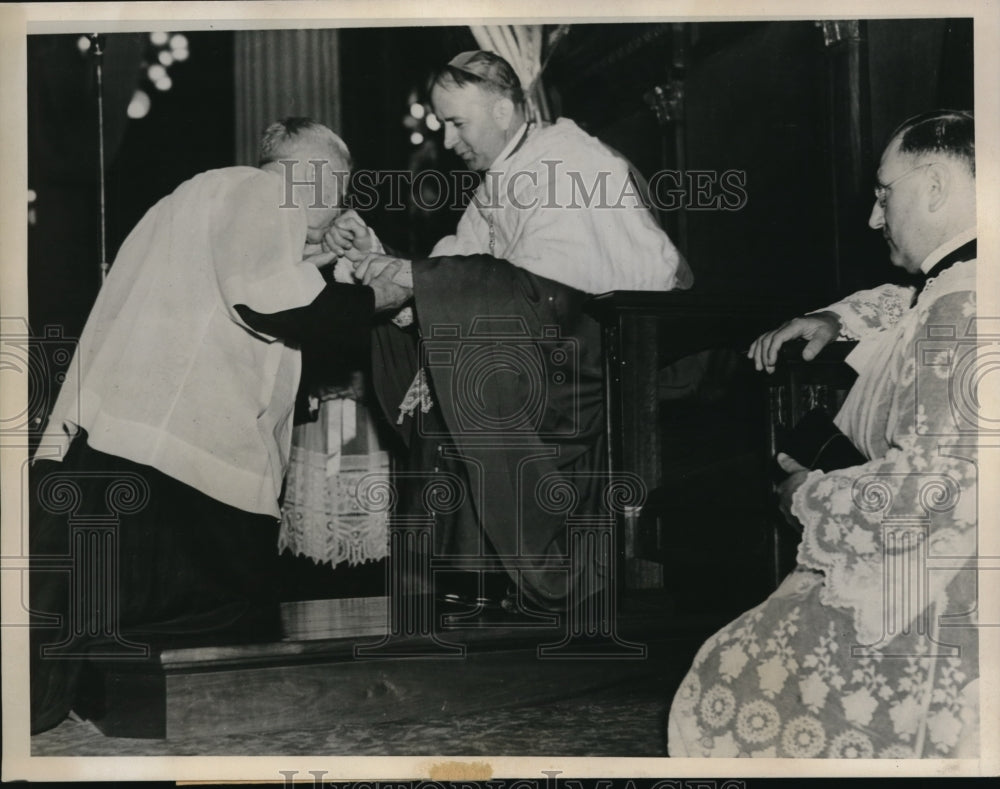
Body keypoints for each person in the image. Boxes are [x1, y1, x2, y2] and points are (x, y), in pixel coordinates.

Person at [29, 118, 401, 734]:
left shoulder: (203, 195)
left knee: (104, 632)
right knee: (228, 631)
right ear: (317, 176)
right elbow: (271, 303)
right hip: (186, 464)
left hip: (128, 447)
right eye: (342, 188)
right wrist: (380, 295)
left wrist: (326, 255)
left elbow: (242, 285)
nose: (343, 204)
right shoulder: (262, 193)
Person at [328, 50, 692, 612]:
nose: (448, 142)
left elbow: (550, 287)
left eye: (456, 123)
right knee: (459, 365)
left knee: (473, 364)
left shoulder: (566, 162)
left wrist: (419, 280)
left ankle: (510, 577)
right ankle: (475, 580)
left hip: (605, 353)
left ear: (501, 110)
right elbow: (465, 270)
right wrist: (383, 262)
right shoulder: (499, 180)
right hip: (547, 345)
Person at [667, 110, 979, 757]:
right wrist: (835, 319)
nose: (873, 217)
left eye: (883, 193)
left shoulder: (968, 303)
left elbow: (935, 489)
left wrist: (809, 494)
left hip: (961, 577)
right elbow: (910, 303)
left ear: (935, 187)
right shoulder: (965, 280)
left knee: (730, 676)